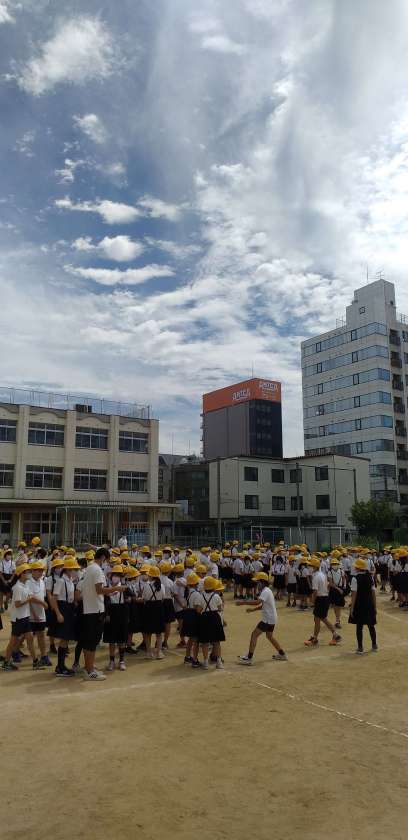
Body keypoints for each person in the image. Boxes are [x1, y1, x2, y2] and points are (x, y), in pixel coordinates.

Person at [80, 547, 125, 681]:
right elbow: (99, 590)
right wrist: (116, 588)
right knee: (92, 642)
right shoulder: (97, 570)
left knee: (89, 641)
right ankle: (90, 671)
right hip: (95, 610)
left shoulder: (89, 568)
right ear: (104, 557)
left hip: (89, 608)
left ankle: (89, 667)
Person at [1, 563, 47, 671]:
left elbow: (31, 596)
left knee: (30, 639)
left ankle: (35, 662)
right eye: (27, 572)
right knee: (13, 641)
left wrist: (41, 602)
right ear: (21, 574)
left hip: (25, 617)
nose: (29, 573)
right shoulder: (18, 587)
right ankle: (6, 662)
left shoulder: (25, 585)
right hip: (18, 619)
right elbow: (17, 604)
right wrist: (28, 600)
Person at [237, 572, 287, 665]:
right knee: (269, 636)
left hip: (268, 619)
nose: (256, 584)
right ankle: (282, 654)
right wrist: (252, 610)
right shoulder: (266, 591)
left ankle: (249, 658)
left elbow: (258, 602)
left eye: (258, 582)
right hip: (272, 618)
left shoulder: (265, 591)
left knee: (254, 635)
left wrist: (243, 602)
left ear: (262, 582)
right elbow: (263, 605)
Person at [47, 556, 81, 677]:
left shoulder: (70, 581)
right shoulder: (61, 581)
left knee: (66, 638)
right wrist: (58, 613)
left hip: (69, 609)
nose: (76, 571)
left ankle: (61, 666)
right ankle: (60, 667)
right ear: (68, 570)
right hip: (63, 609)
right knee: (64, 638)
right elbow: (54, 598)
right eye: (74, 569)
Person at [304, 558, 342, 648]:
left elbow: (315, 591)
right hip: (324, 598)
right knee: (320, 619)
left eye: (310, 566)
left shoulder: (316, 577)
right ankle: (317, 637)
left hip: (320, 599)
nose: (309, 567)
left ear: (315, 567)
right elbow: (327, 586)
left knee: (320, 619)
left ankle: (334, 636)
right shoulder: (322, 575)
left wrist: (313, 601)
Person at [103, 564, 130, 671]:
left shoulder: (124, 587)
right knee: (112, 640)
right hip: (111, 614)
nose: (115, 577)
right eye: (114, 575)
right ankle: (112, 661)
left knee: (121, 639)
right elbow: (105, 602)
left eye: (118, 575)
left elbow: (132, 597)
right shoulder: (107, 587)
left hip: (122, 613)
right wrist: (107, 614)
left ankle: (122, 661)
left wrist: (128, 599)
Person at [348, 558, 378, 654]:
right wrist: (375, 606)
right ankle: (374, 645)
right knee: (371, 625)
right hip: (369, 603)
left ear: (357, 568)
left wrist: (352, 608)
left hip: (359, 604)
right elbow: (373, 593)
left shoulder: (355, 578)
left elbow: (354, 595)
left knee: (359, 626)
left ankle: (360, 648)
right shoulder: (370, 577)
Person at [27, 560, 52, 667]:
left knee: (41, 635)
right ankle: (14, 652)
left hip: (41, 614)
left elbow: (42, 596)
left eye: (42, 570)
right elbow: (30, 598)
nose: (41, 572)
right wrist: (42, 604)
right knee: (25, 636)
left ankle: (44, 656)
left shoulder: (42, 582)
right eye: (38, 570)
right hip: (30, 614)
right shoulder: (28, 582)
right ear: (32, 571)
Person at [197, 576, 225, 670]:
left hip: (205, 618)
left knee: (205, 642)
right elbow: (220, 608)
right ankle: (219, 662)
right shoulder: (216, 596)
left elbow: (198, 610)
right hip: (215, 617)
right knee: (216, 641)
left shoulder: (201, 596)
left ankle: (205, 663)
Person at [142, 566, 165, 660]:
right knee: (159, 633)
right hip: (159, 608)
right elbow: (163, 598)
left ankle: (148, 653)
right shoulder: (161, 586)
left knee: (148, 633)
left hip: (148, 608)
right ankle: (159, 653)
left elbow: (144, 598)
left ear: (151, 576)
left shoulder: (146, 586)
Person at [327, 558, 346, 629]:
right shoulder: (330, 572)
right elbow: (330, 583)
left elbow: (344, 579)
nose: (334, 565)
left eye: (336, 564)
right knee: (335, 606)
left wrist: (344, 587)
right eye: (333, 564)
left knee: (339, 606)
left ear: (338, 564)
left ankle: (338, 621)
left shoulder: (341, 571)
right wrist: (338, 589)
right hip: (334, 589)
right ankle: (337, 620)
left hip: (340, 589)